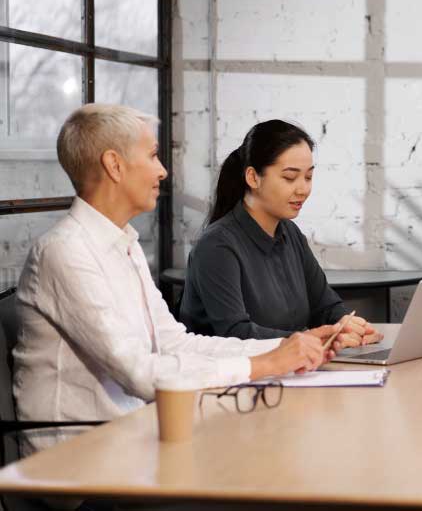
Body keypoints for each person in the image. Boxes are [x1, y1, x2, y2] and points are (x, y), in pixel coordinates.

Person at [15, 104, 347, 455]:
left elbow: (176, 343)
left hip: (137, 438)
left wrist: (286, 348)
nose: (162, 171)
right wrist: (264, 363)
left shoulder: (123, 244)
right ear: (114, 165)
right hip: (82, 463)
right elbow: (141, 374)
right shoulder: (65, 252)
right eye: (153, 156)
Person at [181, 120, 380, 346]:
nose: (303, 189)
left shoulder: (290, 233)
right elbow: (235, 333)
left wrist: (346, 325)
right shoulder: (216, 246)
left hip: (289, 370)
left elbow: (324, 306)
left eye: (308, 177)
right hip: (229, 377)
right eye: (289, 177)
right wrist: (307, 340)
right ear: (253, 177)